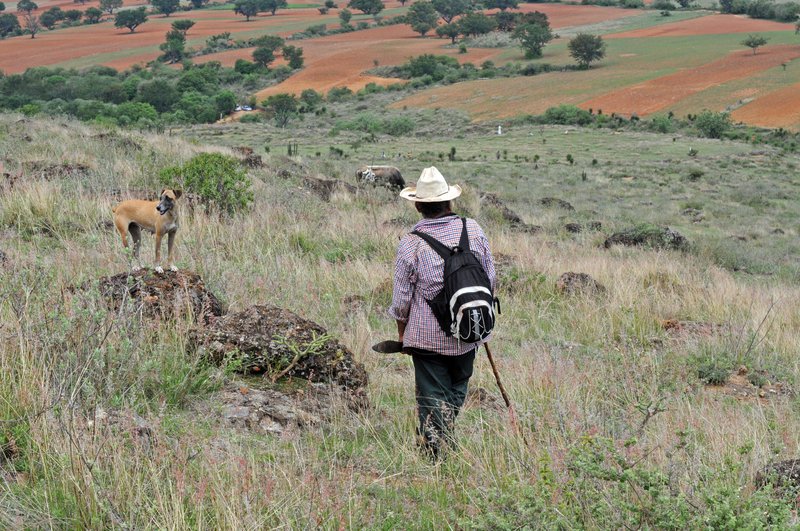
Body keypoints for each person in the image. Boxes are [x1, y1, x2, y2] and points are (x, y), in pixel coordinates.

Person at [388, 167, 496, 459]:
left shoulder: (411, 243)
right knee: (458, 385)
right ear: (449, 202)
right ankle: (442, 436)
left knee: (431, 395)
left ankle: (434, 453)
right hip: (470, 329)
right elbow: (490, 278)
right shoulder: (472, 229)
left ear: (418, 205)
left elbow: (401, 300)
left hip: (427, 338)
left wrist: (402, 331)